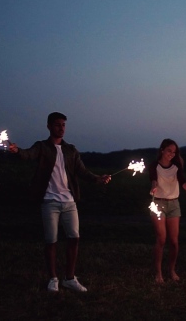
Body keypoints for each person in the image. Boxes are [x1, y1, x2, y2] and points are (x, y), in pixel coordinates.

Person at [8, 112, 111, 292]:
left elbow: (82, 171)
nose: (61, 128)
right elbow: (28, 154)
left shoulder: (71, 150)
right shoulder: (42, 147)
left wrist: (98, 178)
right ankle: (53, 279)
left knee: (74, 238)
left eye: (63, 125)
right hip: (49, 201)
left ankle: (69, 278)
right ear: (49, 126)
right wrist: (17, 151)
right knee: (51, 241)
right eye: (57, 125)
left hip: (69, 201)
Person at [148, 138, 186, 284]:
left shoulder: (176, 166)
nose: (171, 154)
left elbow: (183, 181)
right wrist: (154, 187)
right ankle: (158, 273)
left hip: (174, 204)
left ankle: (172, 270)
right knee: (161, 239)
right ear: (162, 149)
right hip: (158, 204)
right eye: (169, 150)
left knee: (174, 241)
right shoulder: (154, 165)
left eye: (174, 152)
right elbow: (153, 179)